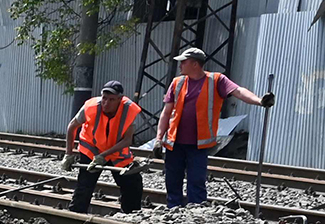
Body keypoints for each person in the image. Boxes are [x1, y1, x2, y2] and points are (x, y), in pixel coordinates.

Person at [152, 46, 271, 208]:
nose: (180, 65)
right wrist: (159, 139)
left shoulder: (216, 80)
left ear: (195, 64)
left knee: (196, 181)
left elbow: (238, 91)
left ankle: (196, 211)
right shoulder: (177, 83)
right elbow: (166, 113)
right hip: (175, 143)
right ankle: (173, 211)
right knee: (172, 180)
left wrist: (259, 101)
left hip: (198, 144)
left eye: (183, 62)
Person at [61, 80, 144, 214]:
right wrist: (68, 154)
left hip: (116, 151)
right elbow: (72, 126)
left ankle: (131, 216)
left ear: (120, 99)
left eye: (111, 99)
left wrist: (104, 156)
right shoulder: (91, 107)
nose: (106, 103)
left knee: (132, 182)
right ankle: (76, 215)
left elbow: (128, 140)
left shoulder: (128, 110)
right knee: (85, 185)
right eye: (104, 98)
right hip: (92, 149)